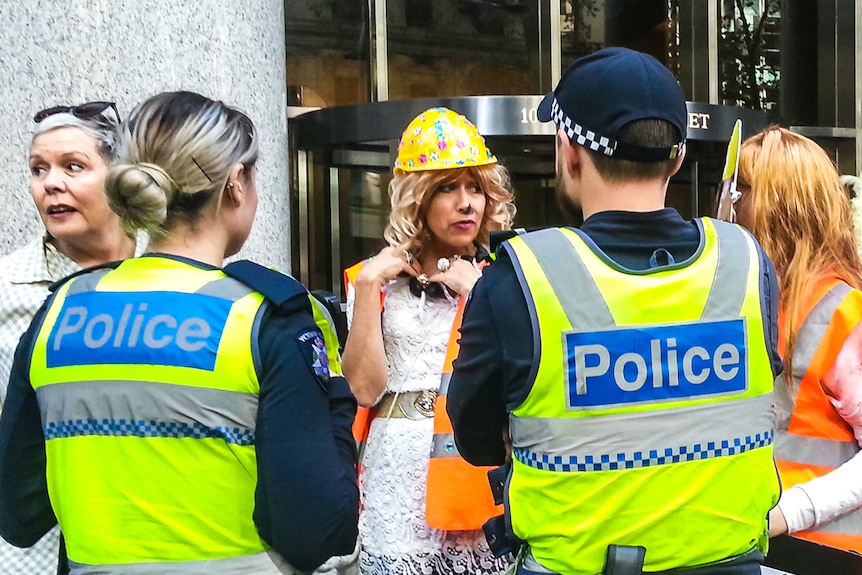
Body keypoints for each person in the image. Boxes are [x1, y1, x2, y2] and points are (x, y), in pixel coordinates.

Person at [447, 47, 782, 575]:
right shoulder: (745, 262)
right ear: (676, 159)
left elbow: (475, 437)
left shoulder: (521, 277)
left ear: (568, 152)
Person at [0, 91, 359, 574]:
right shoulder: (266, 317)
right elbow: (319, 530)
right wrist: (336, 402)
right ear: (236, 184)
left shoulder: (58, 311)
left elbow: (17, 516)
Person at [342, 106, 516, 575]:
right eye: (447, 187)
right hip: (395, 470)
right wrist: (366, 292)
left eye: (475, 187)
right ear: (418, 198)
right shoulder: (372, 279)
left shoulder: (504, 279)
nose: (467, 203)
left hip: (472, 470)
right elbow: (363, 390)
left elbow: (518, 380)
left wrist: (478, 294)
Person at [0, 101, 138, 574]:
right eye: (38, 169)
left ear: (122, 178)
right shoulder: (8, 289)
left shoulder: (165, 280)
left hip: (141, 543)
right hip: (28, 554)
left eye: (73, 167)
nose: (51, 183)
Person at [733, 126, 862, 553]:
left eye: (740, 192)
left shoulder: (844, 312)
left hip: (821, 553)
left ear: (779, 206)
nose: (727, 207)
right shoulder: (748, 298)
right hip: (753, 545)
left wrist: (788, 512)